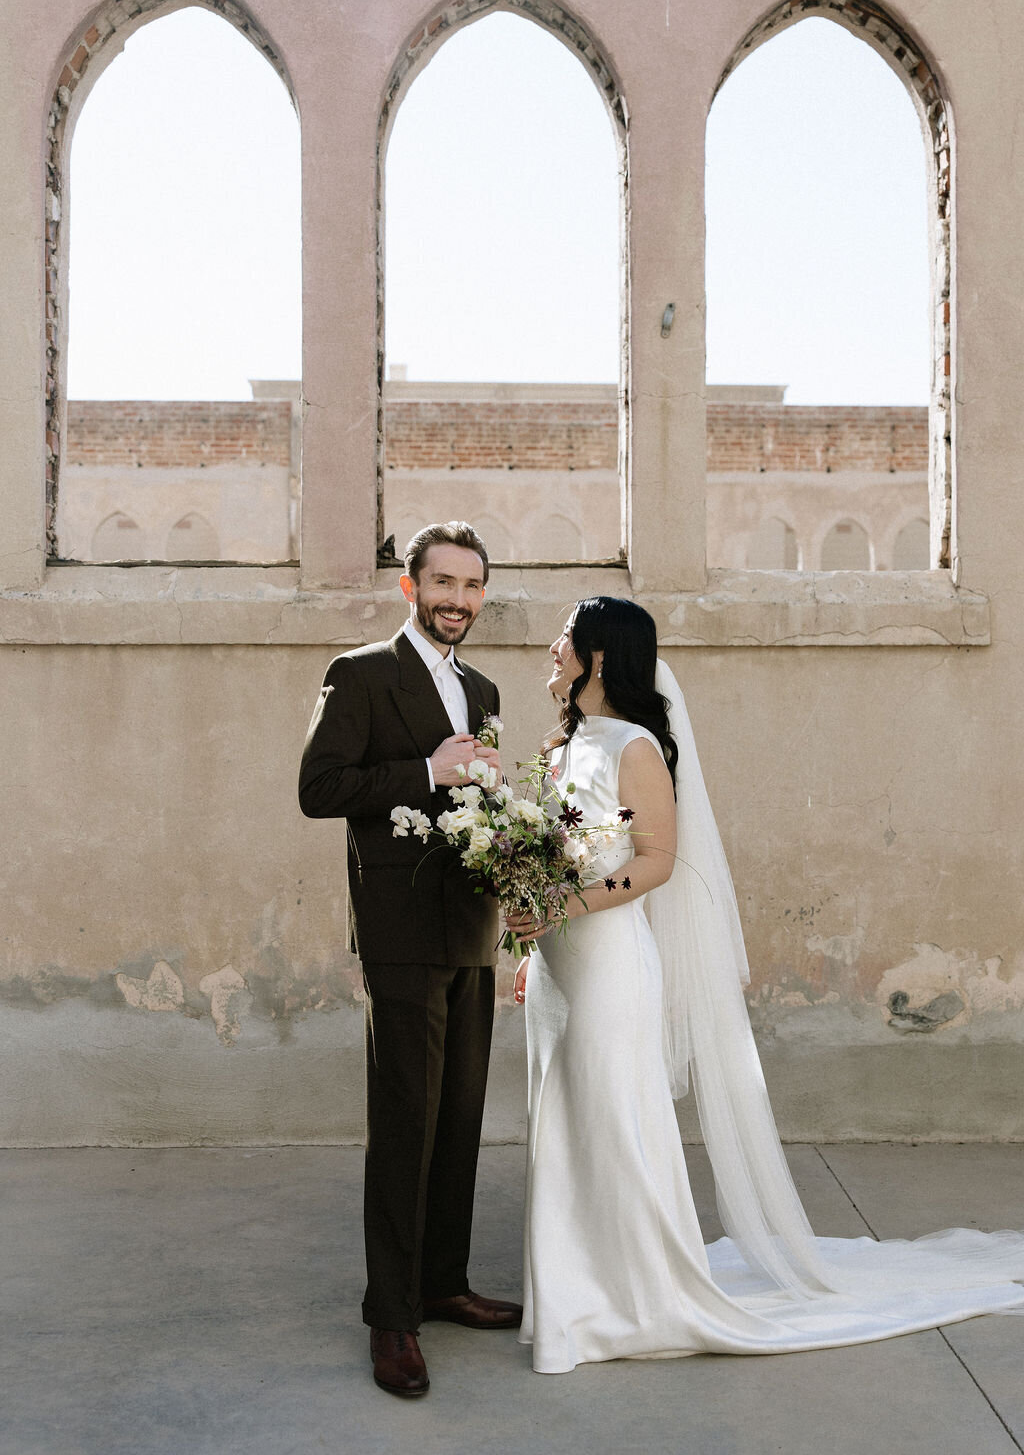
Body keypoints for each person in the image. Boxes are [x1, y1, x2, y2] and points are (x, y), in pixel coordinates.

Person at [509, 595, 1024, 1375]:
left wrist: (564, 906)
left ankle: (631, 1296)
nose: (553, 647)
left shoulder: (636, 747)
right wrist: (531, 943)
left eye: (567, 638)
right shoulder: (562, 744)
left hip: (609, 961)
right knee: (566, 1121)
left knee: (615, 1120)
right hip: (559, 968)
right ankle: (576, 1288)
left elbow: (653, 862)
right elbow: (558, 854)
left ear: (601, 656)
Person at [299, 521, 521, 1398]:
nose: (457, 601)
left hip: (471, 926)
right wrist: (425, 771)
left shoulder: (487, 685)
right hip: (396, 932)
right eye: (443, 584)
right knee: (404, 1123)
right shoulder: (359, 674)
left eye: (471, 587)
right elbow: (319, 789)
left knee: (460, 1112)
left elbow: (487, 799)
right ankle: (391, 1316)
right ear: (410, 588)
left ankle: (442, 1282)